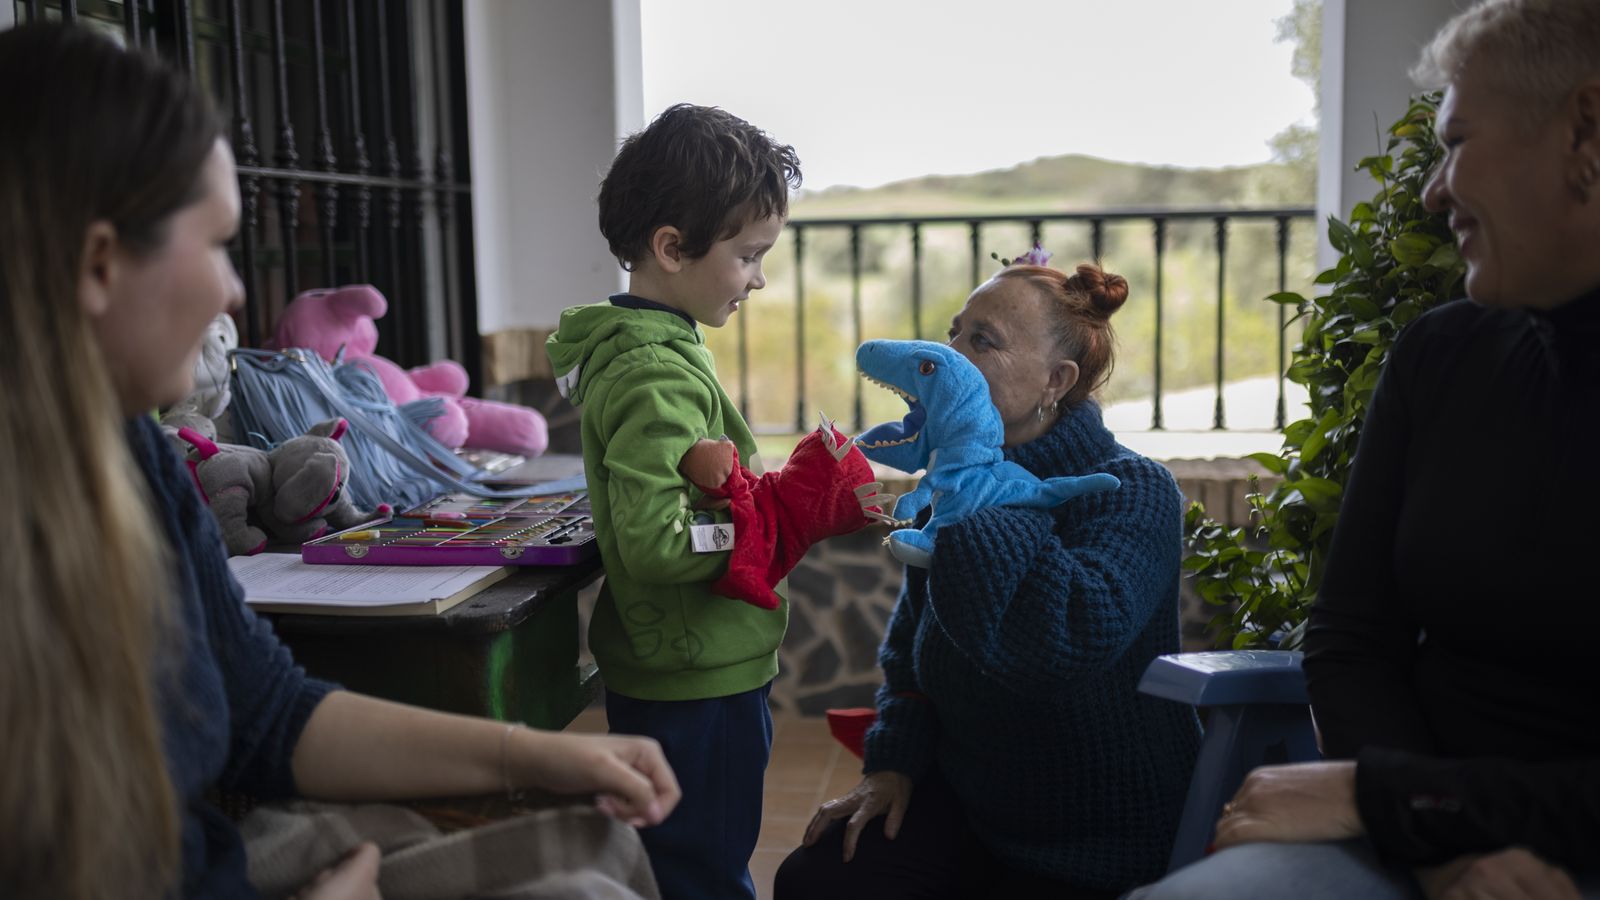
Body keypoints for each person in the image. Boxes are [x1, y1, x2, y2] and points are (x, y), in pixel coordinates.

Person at [0, 24, 679, 900]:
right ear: (99, 265)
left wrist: (538, 756)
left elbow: (270, 714)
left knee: (600, 848)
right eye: (214, 246)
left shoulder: (136, 458)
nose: (235, 291)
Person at [1128, 1, 1600, 898]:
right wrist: (1441, 846)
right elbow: (1352, 637)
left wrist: (1401, 798)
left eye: (1457, 142)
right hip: (1408, 841)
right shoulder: (1441, 352)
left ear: (1586, 128)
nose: (1433, 189)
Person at [774, 256, 1202, 899]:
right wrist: (892, 768)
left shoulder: (1132, 493)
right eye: (954, 334)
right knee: (819, 876)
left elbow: (1061, 646)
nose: (951, 356)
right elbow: (911, 662)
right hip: (972, 807)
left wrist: (991, 497)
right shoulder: (955, 482)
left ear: (1056, 381)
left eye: (984, 341)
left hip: (1099, 836)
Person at [544, 103, 802, 900]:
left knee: (685, 863)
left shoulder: (651, 347)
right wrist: (768, 527)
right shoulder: (654, 371)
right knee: (704, 873)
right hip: (699, 677)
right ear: (671, 247)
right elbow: (656, 539)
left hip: (688, 665)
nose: (758, 278)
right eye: (749, 255)